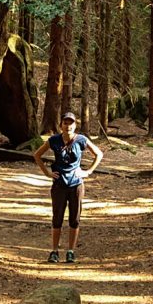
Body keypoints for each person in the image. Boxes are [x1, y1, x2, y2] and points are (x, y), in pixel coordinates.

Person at [33, 111, 103, 264]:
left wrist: (88, 172)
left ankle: (70, 251)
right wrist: (47, 173)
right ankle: (54, 251)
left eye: (71, 123)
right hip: (59, 185)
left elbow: (98, 154)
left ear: (75, 125)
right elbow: (37, 155)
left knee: (74, 219)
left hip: (76, 184)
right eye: (65, 123)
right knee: (57, 218)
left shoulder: (81, 140)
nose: (68, 125)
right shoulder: (54, 140)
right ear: (61, 125)